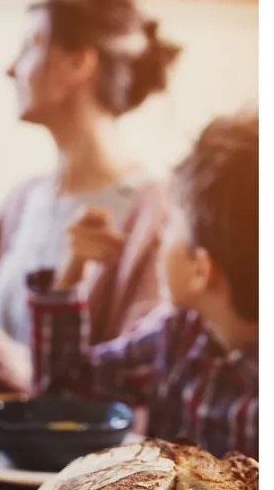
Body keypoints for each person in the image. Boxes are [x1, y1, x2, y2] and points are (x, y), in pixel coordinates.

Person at [0, 0, 180, 392]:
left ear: (79, 63)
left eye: (32, 45)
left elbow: (136, 385)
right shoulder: (26, 198)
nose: (11, 69)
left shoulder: (153, 212)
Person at [28, 112, 258, 459]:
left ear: (200, 269)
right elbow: (63, 398)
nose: (160, 237)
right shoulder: (178, 337)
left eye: (170, 226)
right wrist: (71, 272)